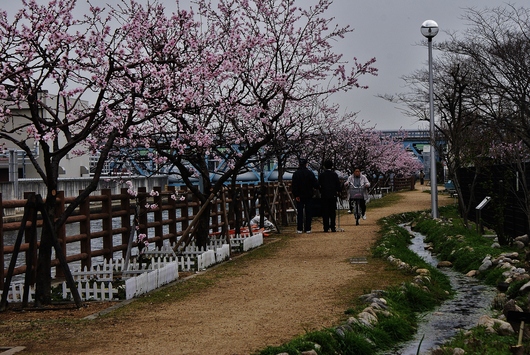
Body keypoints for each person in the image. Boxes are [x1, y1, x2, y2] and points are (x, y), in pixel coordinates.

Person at [291, 158, 319, 233]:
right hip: (309, 195)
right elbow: (315, 184)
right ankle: (308, 228)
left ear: (299, 164)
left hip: (299, 196)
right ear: (306, 164)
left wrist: (296, 195)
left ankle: (299, 228)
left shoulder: (296, 174)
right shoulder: (310, 173)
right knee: (308, 212)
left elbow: (294, 186)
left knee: (300, 212)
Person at [318, 159, 342, 232]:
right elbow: (338, 185)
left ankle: (326, 227)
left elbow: (318, 185)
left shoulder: (321, 175)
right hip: (332, 195)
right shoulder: (334, 174)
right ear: (332, 166)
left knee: (325, 211)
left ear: (324, 166)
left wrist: (321, 190)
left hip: (324, 195)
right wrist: (339, 190)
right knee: (332, 211)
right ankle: (333, 227)